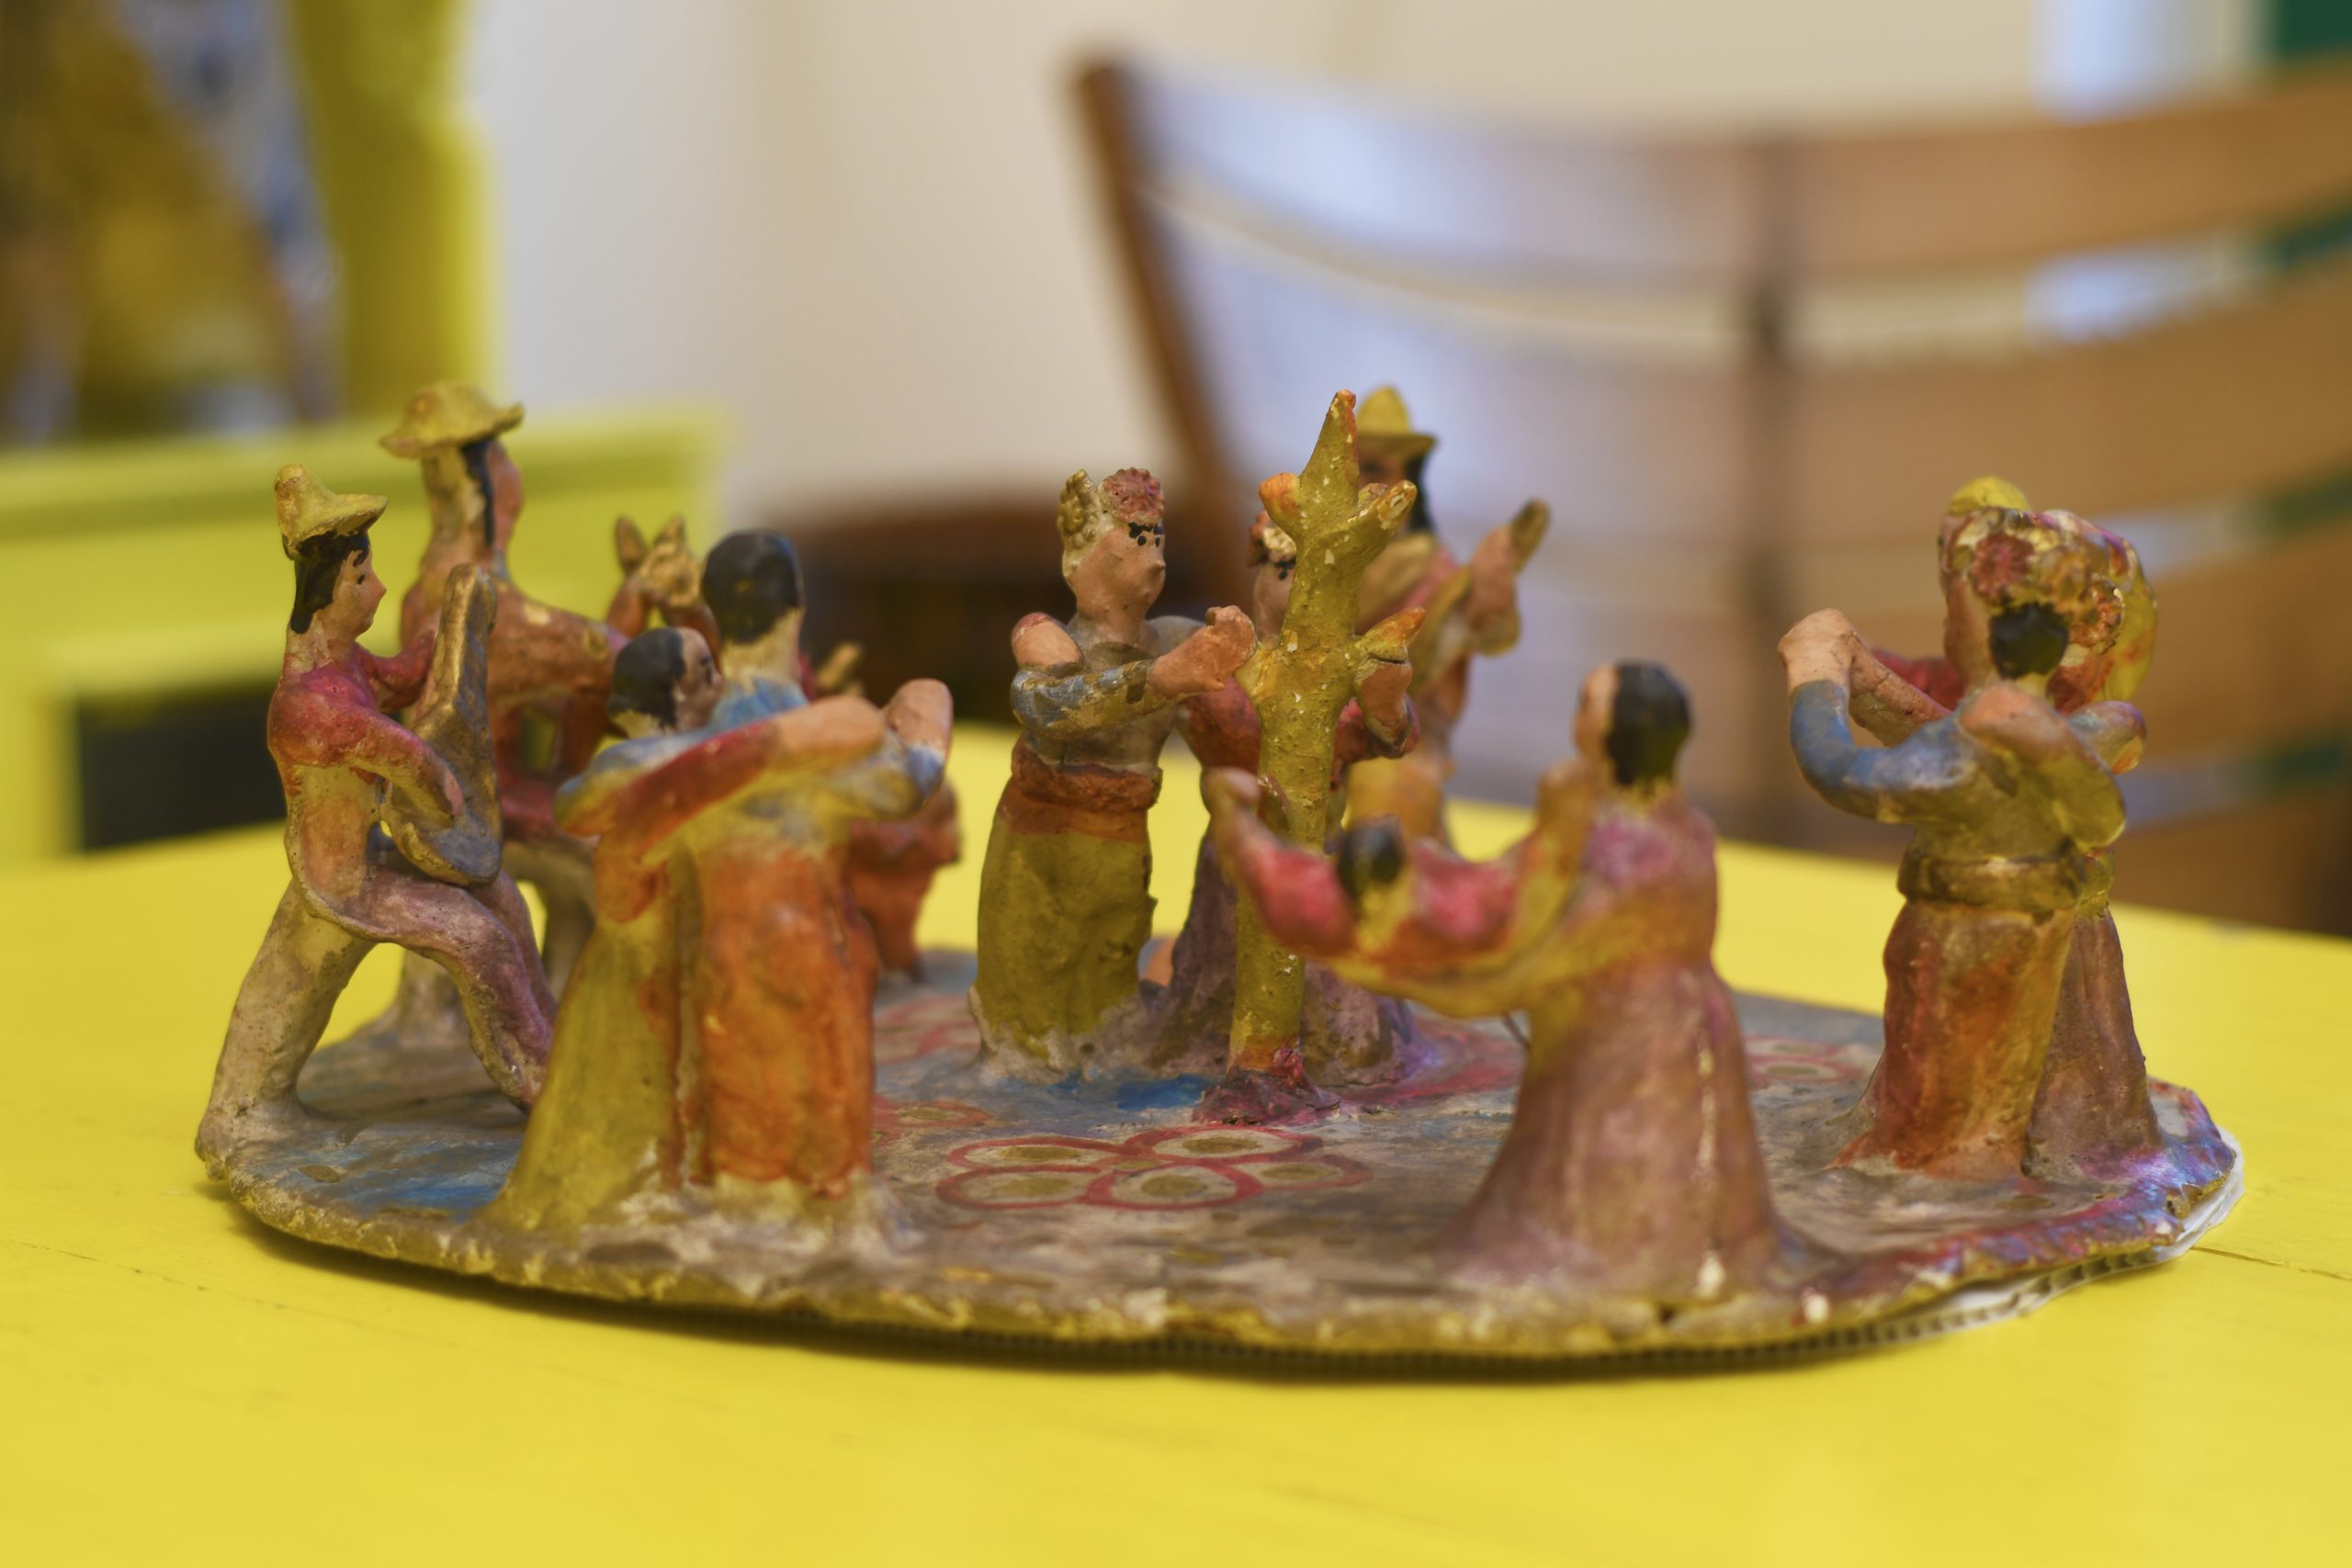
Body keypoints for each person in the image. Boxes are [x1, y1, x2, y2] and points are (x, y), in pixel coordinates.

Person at [1206, 662, 1791, 1299]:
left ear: (1612, 731)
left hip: (1636, 1042)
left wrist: (1433, 984)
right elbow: (1510, 893)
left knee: (1617, 1163)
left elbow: (1533, 958)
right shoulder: (1652, 823)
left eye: (1587, 702)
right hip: (1632, 1023)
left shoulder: (1640, 857)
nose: (1576, 713)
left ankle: (1632, 1267)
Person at [198, 467, 552, 1171]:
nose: (380, 589)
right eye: (363, 577)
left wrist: (451, 622)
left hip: (369, 858)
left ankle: (555, 1045)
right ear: (330, 589)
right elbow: (420, 768)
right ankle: (539, 1084)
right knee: (476, 938)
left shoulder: (348, 665)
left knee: (501, 898)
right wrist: (450, 802)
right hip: (341, 883)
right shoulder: (311, 705)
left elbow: (406, 677)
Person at [1780, 504, 2133, 1179]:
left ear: (1975, 641)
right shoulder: (2067, 734)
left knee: (1950, 1074)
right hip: (2032, 930)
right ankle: (1959, 1162)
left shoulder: (1972, 743)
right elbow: (2102, 817)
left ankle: (1947, 1183)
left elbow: (1842, 773)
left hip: (1959, 936)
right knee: (1993, 1073)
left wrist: (1814, 676)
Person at [968, 468, 1253, 1076]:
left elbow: (1237, 730)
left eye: (1158, 537)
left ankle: (1104, 1069)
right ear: (1079, 559)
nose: (1154, 555)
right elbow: (1047, 707)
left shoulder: (1173, 639)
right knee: (1031, 1001)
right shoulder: (1049, 641)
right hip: (1039, 848)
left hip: (1123, 842)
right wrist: (1164, 679)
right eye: (1136, 537)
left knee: (1110, 977)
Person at [1136, 512, 1417, 1081]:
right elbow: (1153, 681)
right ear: (1260, 574)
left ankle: (1333, 1058)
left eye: (1319, 578)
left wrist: (1389, 704)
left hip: (1319, 864)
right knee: (1221, 981)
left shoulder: (1347, 668)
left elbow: (1393, 736)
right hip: (1234, 865)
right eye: (1285, 570)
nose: (1298, 591)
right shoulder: (1219, 658)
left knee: (1342, 1019)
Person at [381, 381, 622, 995]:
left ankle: (565, 982)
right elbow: (602, 657)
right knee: (617, 851)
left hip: (443, 804)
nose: (512, 476)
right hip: (487, 807)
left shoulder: (416, 598)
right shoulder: (492, 607)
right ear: (479, 479)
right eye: (501, 459)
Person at [485, 626, 724, 1229]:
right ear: (671, 691)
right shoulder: (667, 763)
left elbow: (575, 808)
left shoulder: (666, 763)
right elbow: (572, 809)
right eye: (705, 672)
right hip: (642, 943)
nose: (718, 684)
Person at [1343, 387, 1546, 844]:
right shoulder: (1321, 557)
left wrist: (1487, 593)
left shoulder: (1432, 568)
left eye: (1376, 471)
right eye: (1353, 470)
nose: (1362, 486)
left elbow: (1483, 633)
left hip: (1398, 734)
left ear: (1408, 481)